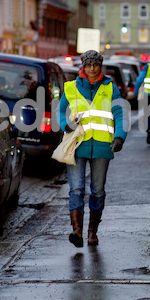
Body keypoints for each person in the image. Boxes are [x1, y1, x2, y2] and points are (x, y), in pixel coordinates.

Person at [58, 50, 127, 248]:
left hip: (102, 147)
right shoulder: (71, 88)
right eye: (88, 64)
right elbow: (60, 111)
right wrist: (66, 124)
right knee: (76, 189)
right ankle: (77, 231)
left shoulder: (110, 88)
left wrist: (120, 136)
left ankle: (92, 232)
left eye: (95, 64)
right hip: (77, 145)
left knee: (97, 191)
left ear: (100, 66)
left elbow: (120, 114)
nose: (91, 68)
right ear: (83, 65)